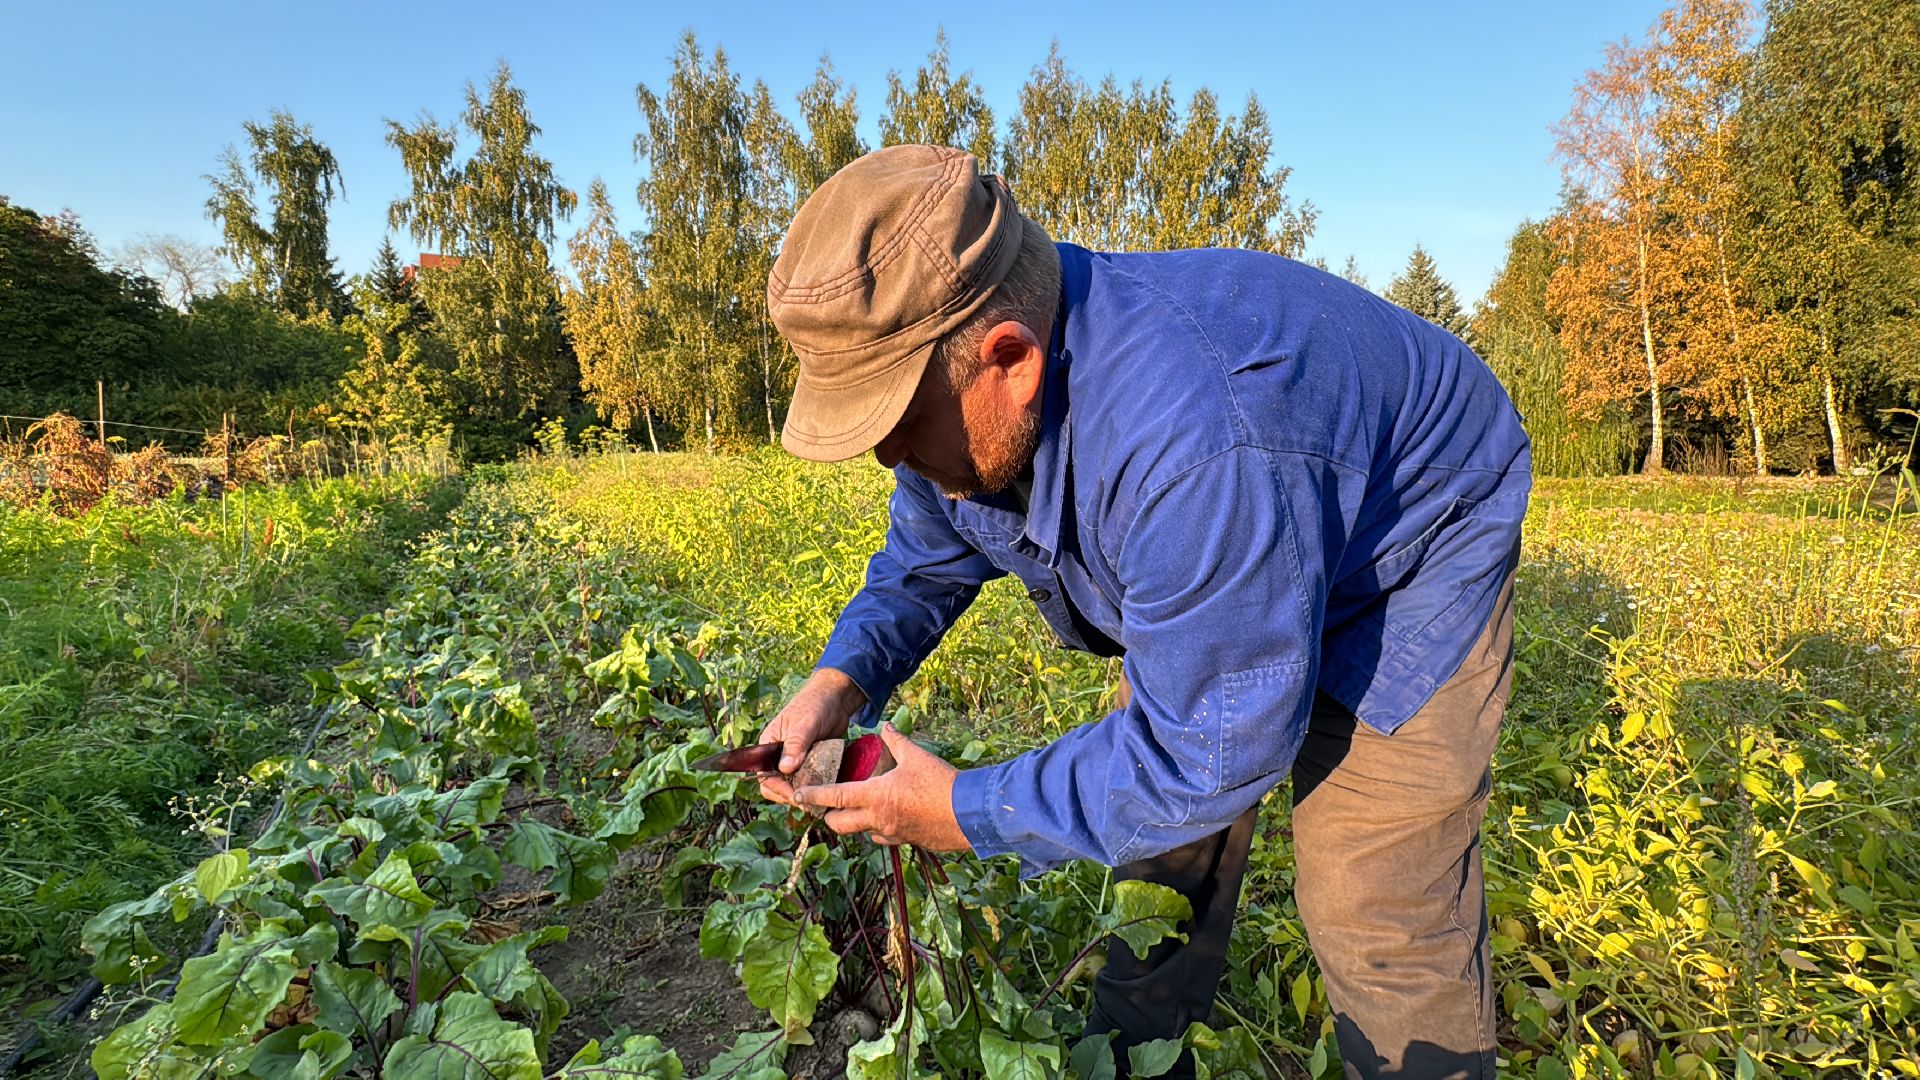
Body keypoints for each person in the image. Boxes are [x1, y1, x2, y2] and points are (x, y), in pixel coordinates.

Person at [753, 143, 1531, 1079]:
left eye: (898, 429)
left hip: (1413, 545)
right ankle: (1131, 1059)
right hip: (1251, 513)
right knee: (1165, 840)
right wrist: (842, 680)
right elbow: (923, 563)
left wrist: (962, 807)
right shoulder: (963, 414)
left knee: (1372, 897)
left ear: (1011, 360)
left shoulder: (1195, 446)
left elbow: (1198, 750)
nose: (889, 461)